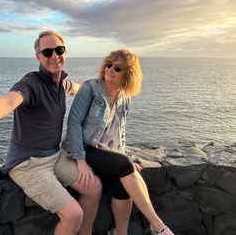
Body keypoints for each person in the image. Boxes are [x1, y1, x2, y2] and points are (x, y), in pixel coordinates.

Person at [0, 30, 102, 235]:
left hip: (54, 155)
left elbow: (79, 87)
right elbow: (8, 101)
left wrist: (104, 83)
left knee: (94, 188)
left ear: (65, 51)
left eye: (59, 50)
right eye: (47, 52)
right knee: (73, 214)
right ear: (38, 57)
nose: (54, 56)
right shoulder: (31, 83)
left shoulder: (62, 85)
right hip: (28, 164)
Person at [62, 49, 174, 235]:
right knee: (123, 165)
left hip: (104, 154)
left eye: (117, 68)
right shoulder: (90, 88)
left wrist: (125, 158)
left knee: (123, 186)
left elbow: (119, 132)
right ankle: (158, 226)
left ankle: (121, 233)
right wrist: (80, 161)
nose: (110, 69)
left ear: (128, 75)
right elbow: (73, 123)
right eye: (108, 64)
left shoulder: (124, 98)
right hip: (81, 149)